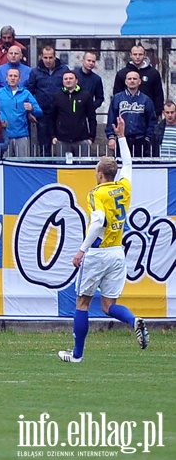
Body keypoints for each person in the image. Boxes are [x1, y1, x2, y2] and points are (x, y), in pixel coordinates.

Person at [58, 117, 148, 363]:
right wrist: (121, 137)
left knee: (82, 302)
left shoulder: (96, 193)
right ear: (114, 173)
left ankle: (77, 355)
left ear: (99, 174)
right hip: (118, 252)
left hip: (98, 253)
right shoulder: (124, 188)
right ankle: (133, 320)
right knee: (109, 305)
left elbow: (97, 222)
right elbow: (128, 165)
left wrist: (81, 250)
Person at [0, 67, 42, 157]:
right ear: (6, 78)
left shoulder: (26, 94)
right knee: (4, 162)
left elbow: (39, 112)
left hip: (21, 135)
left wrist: (32, 108)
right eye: (10, 76)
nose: (13, 78)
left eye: (15, 76)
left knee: (23, 164)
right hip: (4, 135)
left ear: (19, 79)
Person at [26, 46, 68, 156]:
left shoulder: (64, 70)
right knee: (44, 143)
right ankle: (45, 164)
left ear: (55, 57)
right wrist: (30, 111)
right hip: (42, 112)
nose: (48, 60)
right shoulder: (35, 72)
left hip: (60, 112)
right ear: (41, 57)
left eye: (50, 57)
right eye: (45, 57)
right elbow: (29, 92)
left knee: (62, 142)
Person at [107, 70, 156, 158]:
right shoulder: (117, 98)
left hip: (141, 140)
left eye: (134, 79)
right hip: (122, 139)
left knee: (141, 167)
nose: (132, 81)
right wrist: (111, 137)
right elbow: (111, 118)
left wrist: (148, 138)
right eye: (129, 79)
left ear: (139, 81)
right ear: (126, 82)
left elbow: (152, 121)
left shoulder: (146, 100)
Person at [50, 70, 96, 157]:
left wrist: (91, 137)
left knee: (83, 167)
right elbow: (52, 117)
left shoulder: (85, 95)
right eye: (65, 79)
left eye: (71, 78)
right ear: (62, 81)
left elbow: (92, 117)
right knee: (63, 168)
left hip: (82, 139)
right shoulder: (57, 96)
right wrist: (53, 136)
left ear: (76, 81)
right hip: (62, 139)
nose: (68, 80)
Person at [112, 44, 164, 117]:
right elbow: (116, 94)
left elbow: (158, 94)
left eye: (140, 54)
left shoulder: (153, 73)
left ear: (144, 55)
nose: (137, 57)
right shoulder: (122, 73)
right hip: (127, 114)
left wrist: (157, 112)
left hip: (148, 114)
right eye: (135, 54)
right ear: (130, 55)